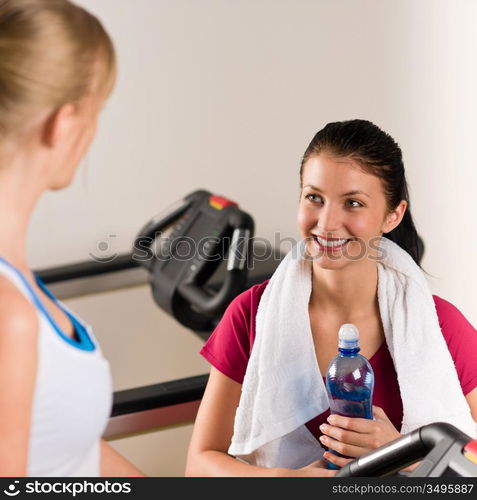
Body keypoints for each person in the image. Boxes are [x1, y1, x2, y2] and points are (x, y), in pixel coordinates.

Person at [185, 119, 477, 477]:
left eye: (353, 203)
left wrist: (404, 451)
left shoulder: (440, 326)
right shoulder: (251, 314)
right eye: (314, 198)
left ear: (392, 215)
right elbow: (198, 467)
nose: (326, 223)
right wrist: (287, 480)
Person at [0, 0, 145, 476]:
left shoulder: (18, 282)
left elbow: (67, 444)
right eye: (95, 111)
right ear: (62, 125)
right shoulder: (8, 319)